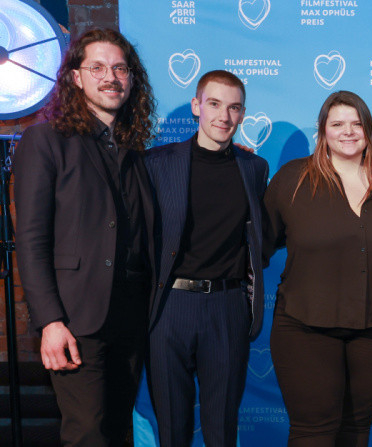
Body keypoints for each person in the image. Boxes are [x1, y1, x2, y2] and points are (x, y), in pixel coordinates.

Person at [14, 28, 156, 446]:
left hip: (131, 317)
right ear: (76, 77)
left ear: (131, 79)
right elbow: (32, 240)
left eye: (120, 68)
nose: (111, 77)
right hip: (76, 320)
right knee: (87, 435)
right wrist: (50, 322)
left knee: (116, 431)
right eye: (97, 67)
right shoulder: (46, 140)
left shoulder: (133, 149)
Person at [263, 91, 372, 446]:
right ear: (323, 130)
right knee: (313, 433)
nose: (348, 132)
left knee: (356, 433)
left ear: (368, 130)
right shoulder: (293, 179)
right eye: (338, 123)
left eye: (357, 124)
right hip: (305, 326)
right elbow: (259, 242)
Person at [144, 70, 269, 447]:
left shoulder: (254, 168)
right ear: (197, 106)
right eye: (214, 104)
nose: (224, 116)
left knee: (222, 430)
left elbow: (260, 237)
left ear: (243, 114)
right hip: (169, 307)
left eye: (234, 107)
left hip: (227, 307)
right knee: (172, 429)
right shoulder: (156, 163)